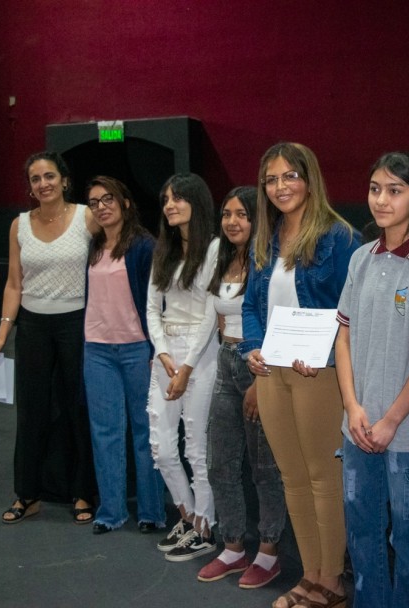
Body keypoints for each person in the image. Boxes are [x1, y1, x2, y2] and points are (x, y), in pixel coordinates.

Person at [241, 142, 360, 608]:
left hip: (320, 372)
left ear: (309, 179)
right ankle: (309, 575)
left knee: (322, 479)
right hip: (272, 370)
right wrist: (253, 348)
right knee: (291, 477)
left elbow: (350, 314)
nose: (280, 187)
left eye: (289, 176)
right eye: (271, 180)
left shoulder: (338, 237)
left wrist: (324, 350)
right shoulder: (264, 240)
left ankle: (331, 581)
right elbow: (253, 305)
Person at [334, 152, 409, 608]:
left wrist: (391, 420)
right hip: (358, 427)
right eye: (375, 188)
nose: (381, 200)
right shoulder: (362, 257)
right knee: (362, 534)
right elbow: (343, 334)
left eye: (395, 190)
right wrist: (352, 406)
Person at [0, 151, 99, 525]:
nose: (43, 184)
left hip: (77, 324)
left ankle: (84, 491)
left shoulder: (87, 217)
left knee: (77, 408)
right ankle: (28, 493)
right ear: (30, 187)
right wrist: (2, 334)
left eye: (50, 176)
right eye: (36, 179)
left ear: (64, 180)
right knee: (31, 410)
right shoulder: (18, 225)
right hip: (32, 326)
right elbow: (14, 284)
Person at [197, 186, 287, 589]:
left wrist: (259, 382)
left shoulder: (269, 260)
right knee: (220, 460)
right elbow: (218, 316)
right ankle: (233, 547)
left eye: (242, 215)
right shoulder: (224, 256)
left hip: (260, 366)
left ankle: (269, 553)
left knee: (265, 468)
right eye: (227, 214)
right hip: (225, 363)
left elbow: (274, 317)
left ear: (258, 218)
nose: (233, 222)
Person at [82, 176, 167, 535]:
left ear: (125, 203)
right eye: (94, 202)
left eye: (107, 199)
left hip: (137, 350)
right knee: (105, 433)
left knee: (145, 431)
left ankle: (151, 512)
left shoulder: (145, 246)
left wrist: (154, 348)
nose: (101, 207)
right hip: (96, 350)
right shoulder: (93, 246)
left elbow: (157, 303)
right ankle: (111, 511)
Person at [147, 173, 220, 562]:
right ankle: (188, 515)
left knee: (196, 446)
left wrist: (187, 367)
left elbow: (212, 312)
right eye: (166, 199)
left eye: (177, 198)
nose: (170, 205)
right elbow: (151, 308)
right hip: (166, 355)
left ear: (197, 201)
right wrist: (162, 352)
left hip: (201, 354)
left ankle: (205, 526)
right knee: (160, 446)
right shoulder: (165, 248)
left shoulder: (214, 248)